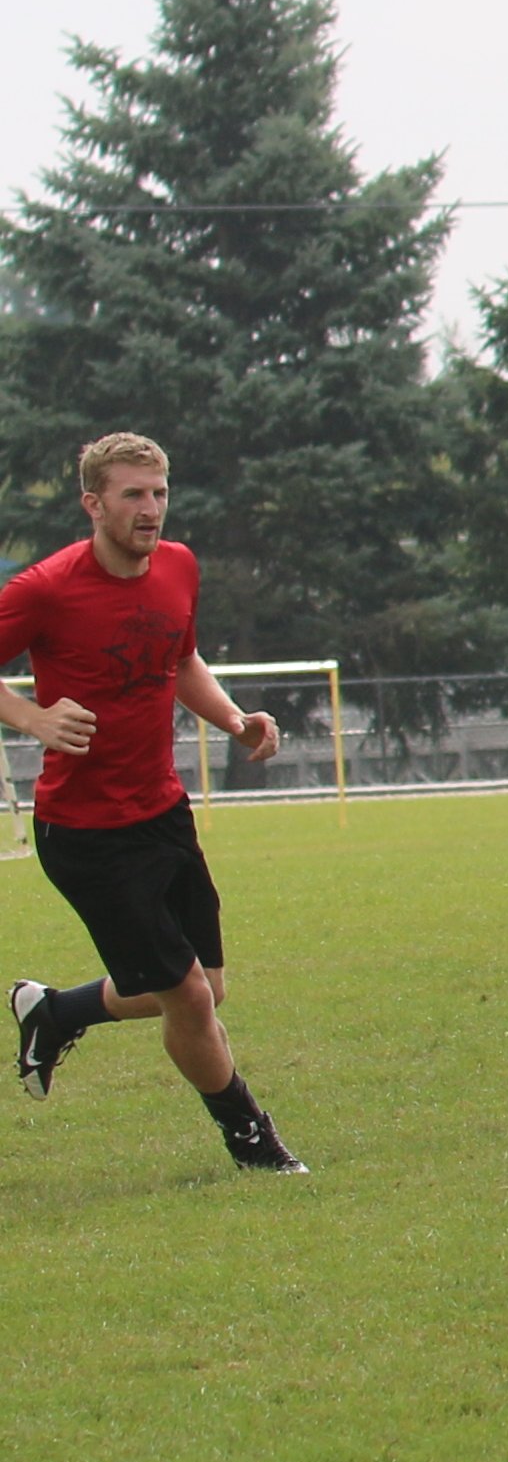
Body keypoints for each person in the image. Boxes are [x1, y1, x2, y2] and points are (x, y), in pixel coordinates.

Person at [3, 433, 304, 1172]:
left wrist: (234, 719)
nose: (151, 508)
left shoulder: (178, 566)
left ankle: (56, 1010)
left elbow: (181, 658)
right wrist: (33, 718)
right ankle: (253, 1142)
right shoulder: (46, 587)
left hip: (163, 812)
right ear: (93, 503)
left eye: (160, 492)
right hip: (86, 833)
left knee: (207, 989)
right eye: (132, 494)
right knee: (189, 998)